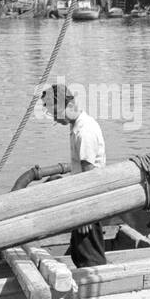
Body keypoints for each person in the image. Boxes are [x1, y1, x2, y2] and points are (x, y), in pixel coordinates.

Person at [41, 83, 107, 267]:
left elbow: (90, 176)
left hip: (89, 201)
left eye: (55, 113)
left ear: (69, 106)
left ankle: (99, 283)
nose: (54, 118)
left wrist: (85, 213)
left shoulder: (84, 132)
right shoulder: (77, 127)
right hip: (83, 197)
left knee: (90, 257)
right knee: (80, 252)